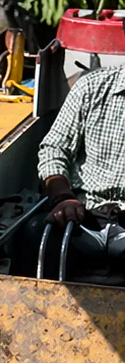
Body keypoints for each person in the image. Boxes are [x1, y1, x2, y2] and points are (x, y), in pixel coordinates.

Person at [16, 63, 125, 280]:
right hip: (84, 213)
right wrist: (63, 198)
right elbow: (55, 149)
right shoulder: (92, 86)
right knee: (34, 234)